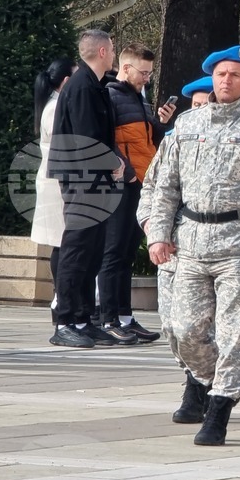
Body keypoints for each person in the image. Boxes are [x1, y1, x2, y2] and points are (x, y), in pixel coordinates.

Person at [148, 45, 240, 445]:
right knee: (184, 331)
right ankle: (209, 378)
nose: (226, 81)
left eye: (235, 75)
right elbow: (165, 187)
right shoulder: (187, 123)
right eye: (220, 74)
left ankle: (220, 406)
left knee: (235, 333)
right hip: (192, 241)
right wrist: (158, 235)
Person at [48, 30, 129, 348]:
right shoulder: (82, 86)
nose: (113, 54)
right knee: (77, 249)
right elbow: (85, 135)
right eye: (111, 49)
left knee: (93, 250)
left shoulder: (93, 86)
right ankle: (65, 320)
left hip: (94, 179)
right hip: (82, 178)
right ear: (102, 50)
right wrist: (112, 161)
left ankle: (83, 318)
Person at [138, 75, 211, 424]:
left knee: (201, 327)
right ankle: (200, 376)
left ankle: (200, 387)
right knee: (172, 327)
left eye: (205, 105)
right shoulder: (173, 142)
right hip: (173, 250)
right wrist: (152, 228)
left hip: (214, 250)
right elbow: (150, 189)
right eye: (193, 106)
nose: (198, 112)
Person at [98, 43, 171, 343]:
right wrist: (125, 170)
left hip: (142, 183)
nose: (147, 79)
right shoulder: (111, 96)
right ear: (125, 68)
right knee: (114, 253)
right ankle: (108, 318)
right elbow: (104, 138)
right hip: (122, 185)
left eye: (150, 74)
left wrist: (160, 124)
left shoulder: (139, 99)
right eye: (143, 72)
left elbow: (146, 140)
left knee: (127, 252)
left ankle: (125, 316)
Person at [31, 58, 76, 299]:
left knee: (63, 240)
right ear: (67, 81)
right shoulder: (56, 108)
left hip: (55, 180)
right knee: (62, 240)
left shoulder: (54, 105)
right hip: (56, 184)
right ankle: (60, 295)